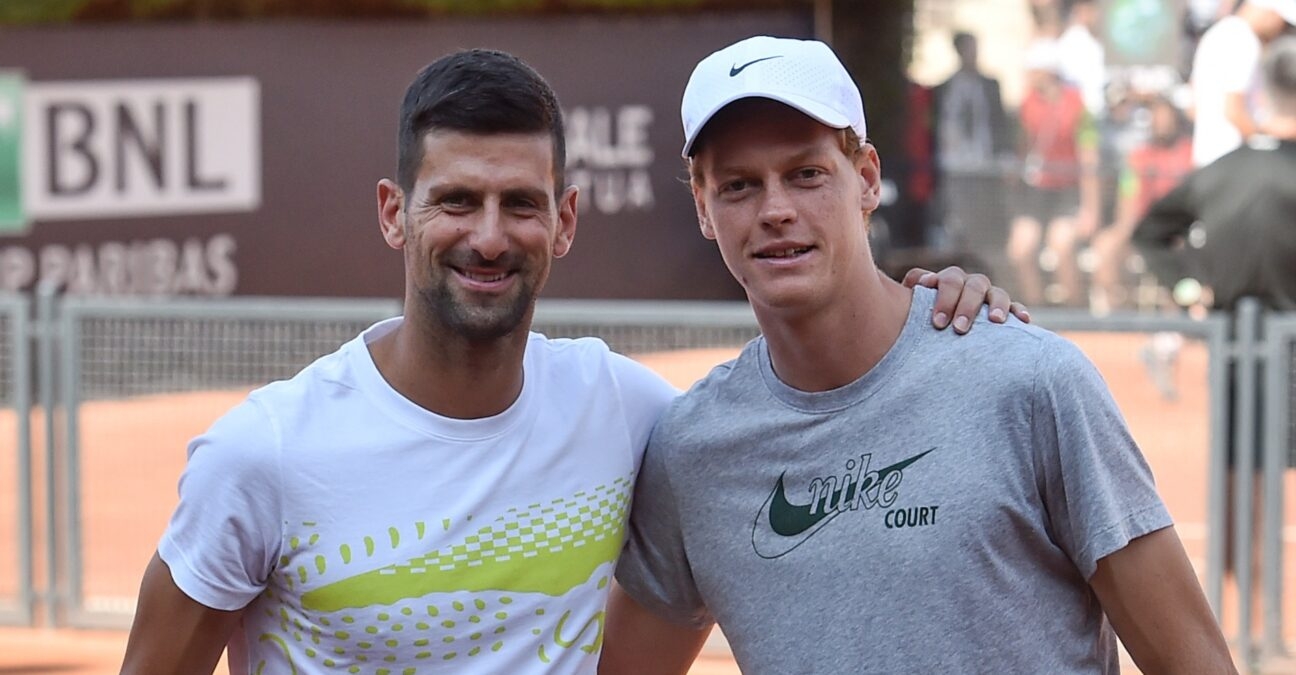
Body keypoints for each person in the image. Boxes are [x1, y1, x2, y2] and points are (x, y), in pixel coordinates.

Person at [118, 48, 1021, 675]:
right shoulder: (261, 456)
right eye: (455, 201)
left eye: (520, 202)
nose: (487, 235)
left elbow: (801, 417)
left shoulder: (630, 414)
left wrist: (931, 316)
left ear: (565, 220)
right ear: (395, 213)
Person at [602, 35, 1235, 674]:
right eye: (739, 186)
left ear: (868, 179)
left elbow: (1195, 663)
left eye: (806, 174)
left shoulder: (1031, 383)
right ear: (703, 208)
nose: (776, 210)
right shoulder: (693, 449)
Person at [1135, 35, 1296, 311]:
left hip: (1226, 342)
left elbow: (1149, 233)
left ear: (1261, 97)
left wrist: (1189, 291)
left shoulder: (1217, 172)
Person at [1006, 38, 1102, 306]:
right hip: (1036, 191)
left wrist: (1090, 209)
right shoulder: (1028, 104)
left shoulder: (1078, 106)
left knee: (1061, 245)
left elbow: (1089, 159)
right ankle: (1035, 310)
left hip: (1066, 192)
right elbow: (1022, 146)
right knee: (1020, 249)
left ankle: (1075, 312)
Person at [932, 32, 1012, 270]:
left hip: (984, 164)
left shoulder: (989, 85)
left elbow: (999, 122)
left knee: (984, 219)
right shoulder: (946, 88)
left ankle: (984, 267)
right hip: (956, 166)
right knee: (958, 218)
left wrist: (1004, 157)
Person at [1188, 0, 1296, 168]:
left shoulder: (1219, 32)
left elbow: (1193, 106)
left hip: (1209, 162)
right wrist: (1265, 143)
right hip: (1231, 164)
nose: (1280, 29)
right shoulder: (1243, 39)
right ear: (1271, 12)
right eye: (1281, 21)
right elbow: (1233, 110)